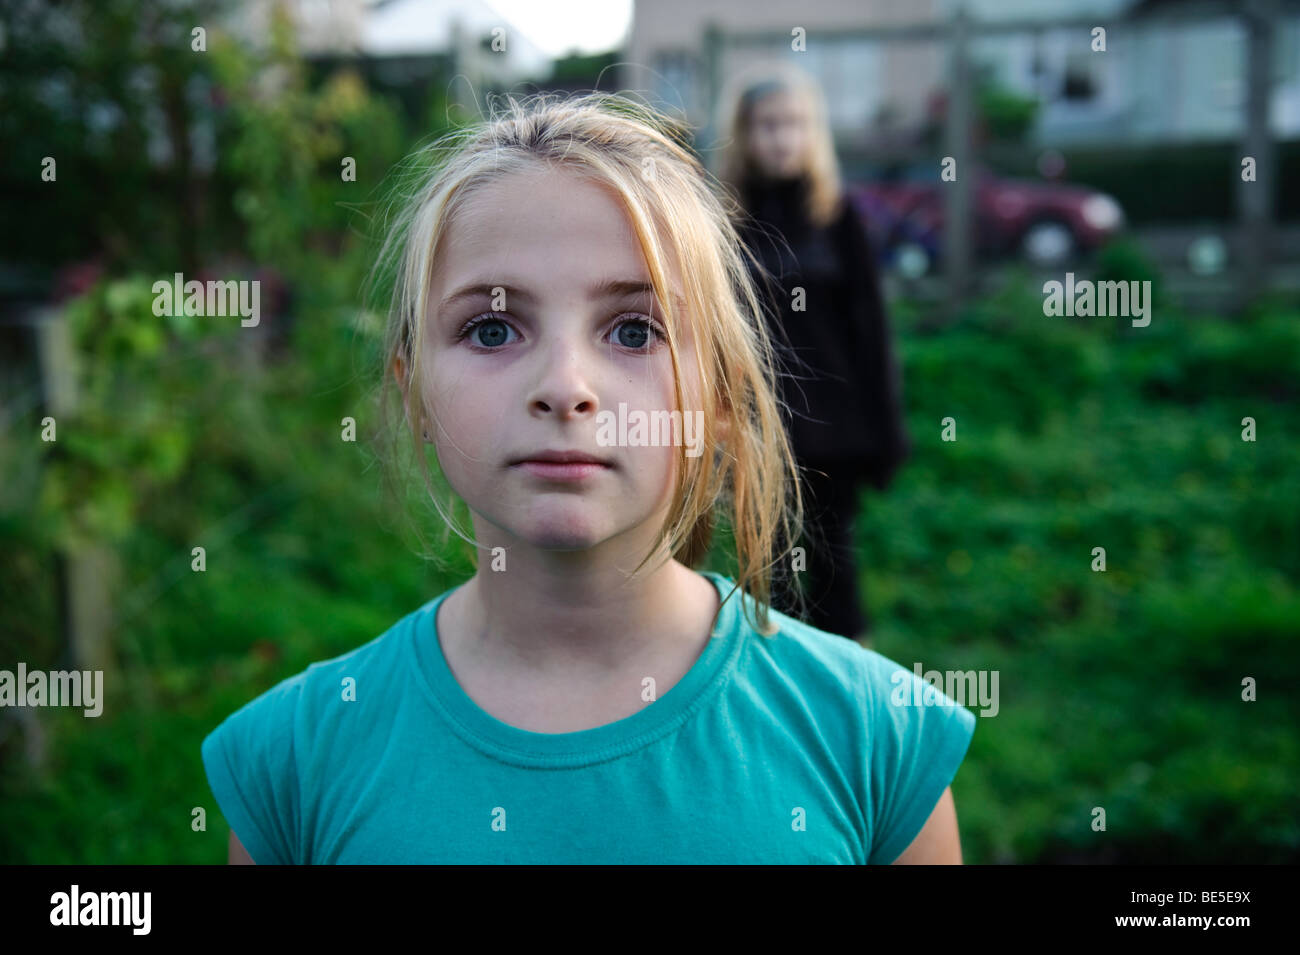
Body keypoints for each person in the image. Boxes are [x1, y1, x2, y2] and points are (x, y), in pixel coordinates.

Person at [200, 92, 972, 864]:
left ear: (721, 398)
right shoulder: (290, 768)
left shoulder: (878, 744)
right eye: (492, 328)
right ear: (413, 396)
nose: (566, 386)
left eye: (635, 329)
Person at [721, 69, 912, 643]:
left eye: (795, 125)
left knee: (835, 571)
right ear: (745, 134)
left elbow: (871, 330)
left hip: (837, 433)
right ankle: (771, 700)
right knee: (768, 574)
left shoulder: (839, 218)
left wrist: (887, 433)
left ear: (813, 133)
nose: (781, 138)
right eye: (768, 125)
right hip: (761, 433)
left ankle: (846, 706)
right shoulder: (727, 222)